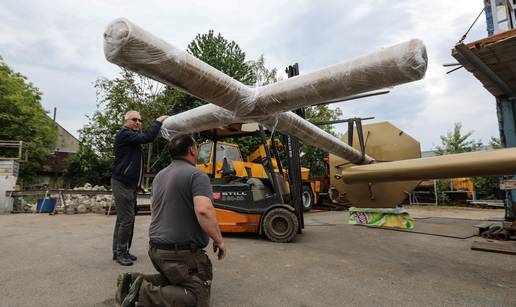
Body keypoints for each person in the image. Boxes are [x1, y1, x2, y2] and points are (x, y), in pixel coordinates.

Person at [116, 133, 227, 307]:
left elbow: (154, 209)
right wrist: (219, 240)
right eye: (196, 146)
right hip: (179, 253)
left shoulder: (159, 176)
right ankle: (141, 294)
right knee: (198, 296)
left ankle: (132, 281)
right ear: (191, 149)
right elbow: (204, 210)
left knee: (176, 277)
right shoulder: (197, 175)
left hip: (156, 250)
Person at [112, 110, 168, 266]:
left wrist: (138, 184)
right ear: (126, 121)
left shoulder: (131, 137)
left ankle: (120, 251)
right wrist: (158, 121)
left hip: (129, 185)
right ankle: (121, 253)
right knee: (127, 220)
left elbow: (134, 163)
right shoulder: (125, 134)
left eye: (140, 120)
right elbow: (148, 137)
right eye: (134, 119)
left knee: (123, 220)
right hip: (122, 183)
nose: (138, 122)